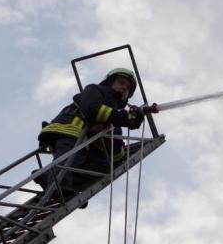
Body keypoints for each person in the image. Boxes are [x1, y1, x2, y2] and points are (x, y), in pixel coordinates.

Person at [37, 67, 158, 196]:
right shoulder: (95, 90)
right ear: (110, 82)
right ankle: (58, 186)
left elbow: (116, 149)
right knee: (70, 158)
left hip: (83, 140)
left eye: (128, 88)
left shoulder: (113, 114)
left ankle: (51, 178)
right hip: (69, 129)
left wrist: (135, 117)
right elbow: (93, 109)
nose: (124, 88)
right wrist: (124, 117)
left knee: (103, 167)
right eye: (121, 83)